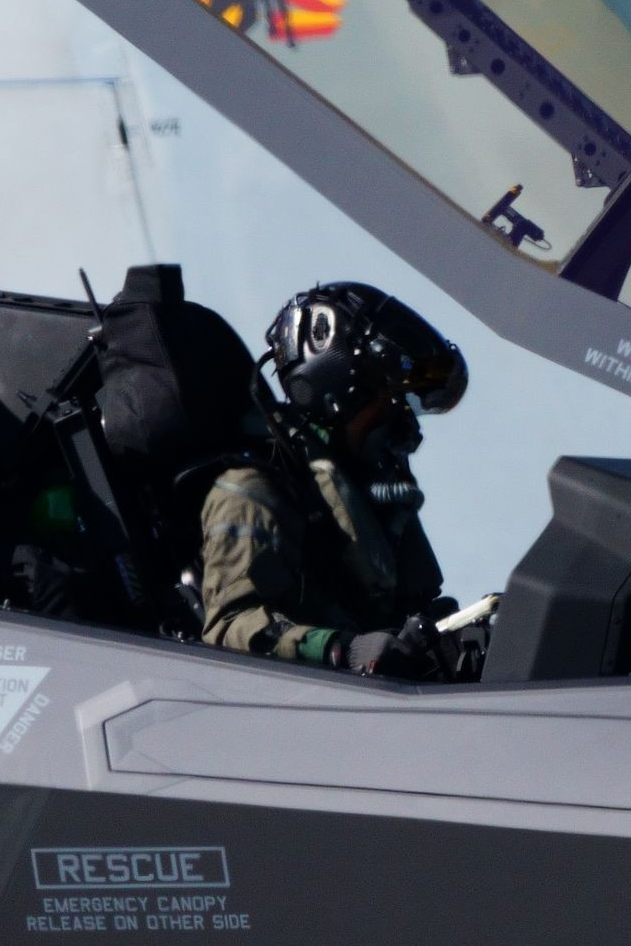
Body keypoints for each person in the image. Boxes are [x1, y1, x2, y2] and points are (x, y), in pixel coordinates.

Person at [196, 281, 468, 677]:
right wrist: (342, 651)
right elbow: (227, 630)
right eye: (392, 401)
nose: (405, 425)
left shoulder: (373, 503)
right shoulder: (255, 492)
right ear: (341, 392)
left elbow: (414, 613)